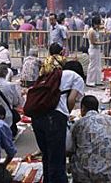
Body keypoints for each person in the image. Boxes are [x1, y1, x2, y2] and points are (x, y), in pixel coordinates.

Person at [31, 43, 85, 183]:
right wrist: (66, 113)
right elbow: (72, 99)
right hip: (54, 118)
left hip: (37, 116)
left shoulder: (52, 75)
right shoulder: (76, 77)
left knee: (47, 156)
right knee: (57, 157)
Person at [68, 95, 111, 183]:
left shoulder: (77, 124)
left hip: (83, 177)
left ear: (83, 108)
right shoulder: (109, 119)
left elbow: (69, 150)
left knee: (73, 154)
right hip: (107, 176)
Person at [86, 16, 108, 87]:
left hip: (97, 50)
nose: (98, 25)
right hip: (93, 50)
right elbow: (93, 42)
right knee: (92, 66)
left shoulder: (96, 29)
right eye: (97, 24)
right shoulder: (91, 31)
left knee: (98, 65)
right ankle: (90, 81)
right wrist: (104, 43)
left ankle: (97, 80)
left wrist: (105, 28)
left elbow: (103, 27)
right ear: (94, 24)